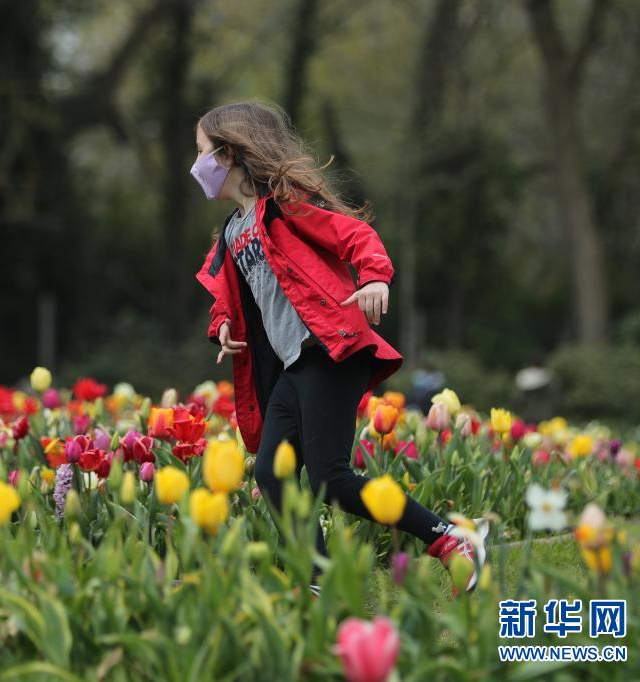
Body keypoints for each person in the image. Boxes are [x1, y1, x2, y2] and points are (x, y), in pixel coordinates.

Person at [191, 101, 487, 597]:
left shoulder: (285, 206)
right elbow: (229, 294)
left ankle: (451, 539)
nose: (195, 165)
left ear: (229, 154)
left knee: (331, 479)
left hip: (327, 352)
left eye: (201, 152)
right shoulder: (231, 232)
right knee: (271, 474)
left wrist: (374, 278)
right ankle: (322, 581)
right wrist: (221, 324)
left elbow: (355, 236)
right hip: (292, 366)